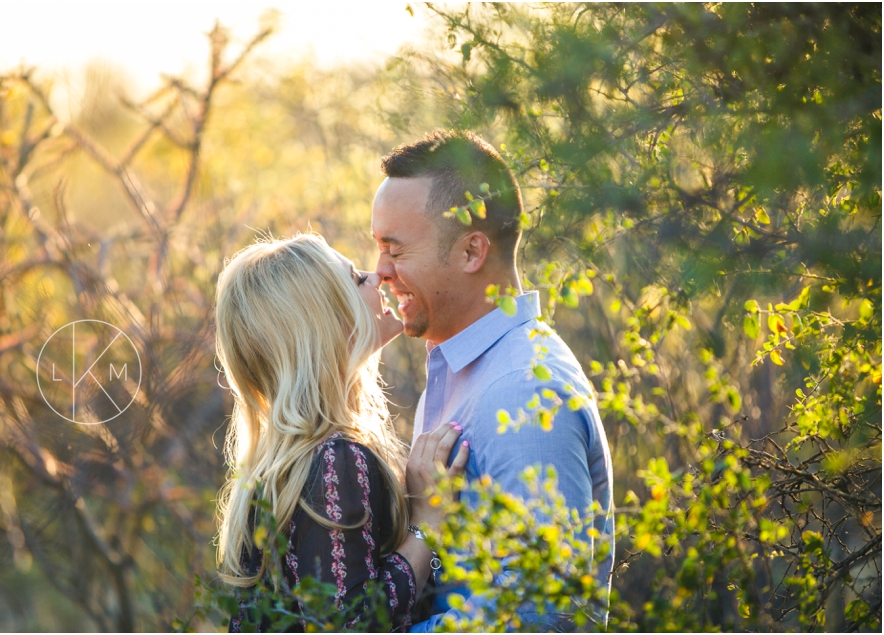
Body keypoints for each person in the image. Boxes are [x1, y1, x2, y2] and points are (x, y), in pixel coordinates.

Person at [371, 129, 615, 630]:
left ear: (470, 253)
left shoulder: (524, 391)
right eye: (378, 247)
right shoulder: (463, 374)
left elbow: (542, 616)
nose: (380, 271)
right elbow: (457, 587)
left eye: (395, 250)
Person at [214, 234, 469, 632]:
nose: (377, 277)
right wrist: (427, 525)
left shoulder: (291, 460)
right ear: (325, 322)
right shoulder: (335, 458)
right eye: (355, 280)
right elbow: (350, 626)